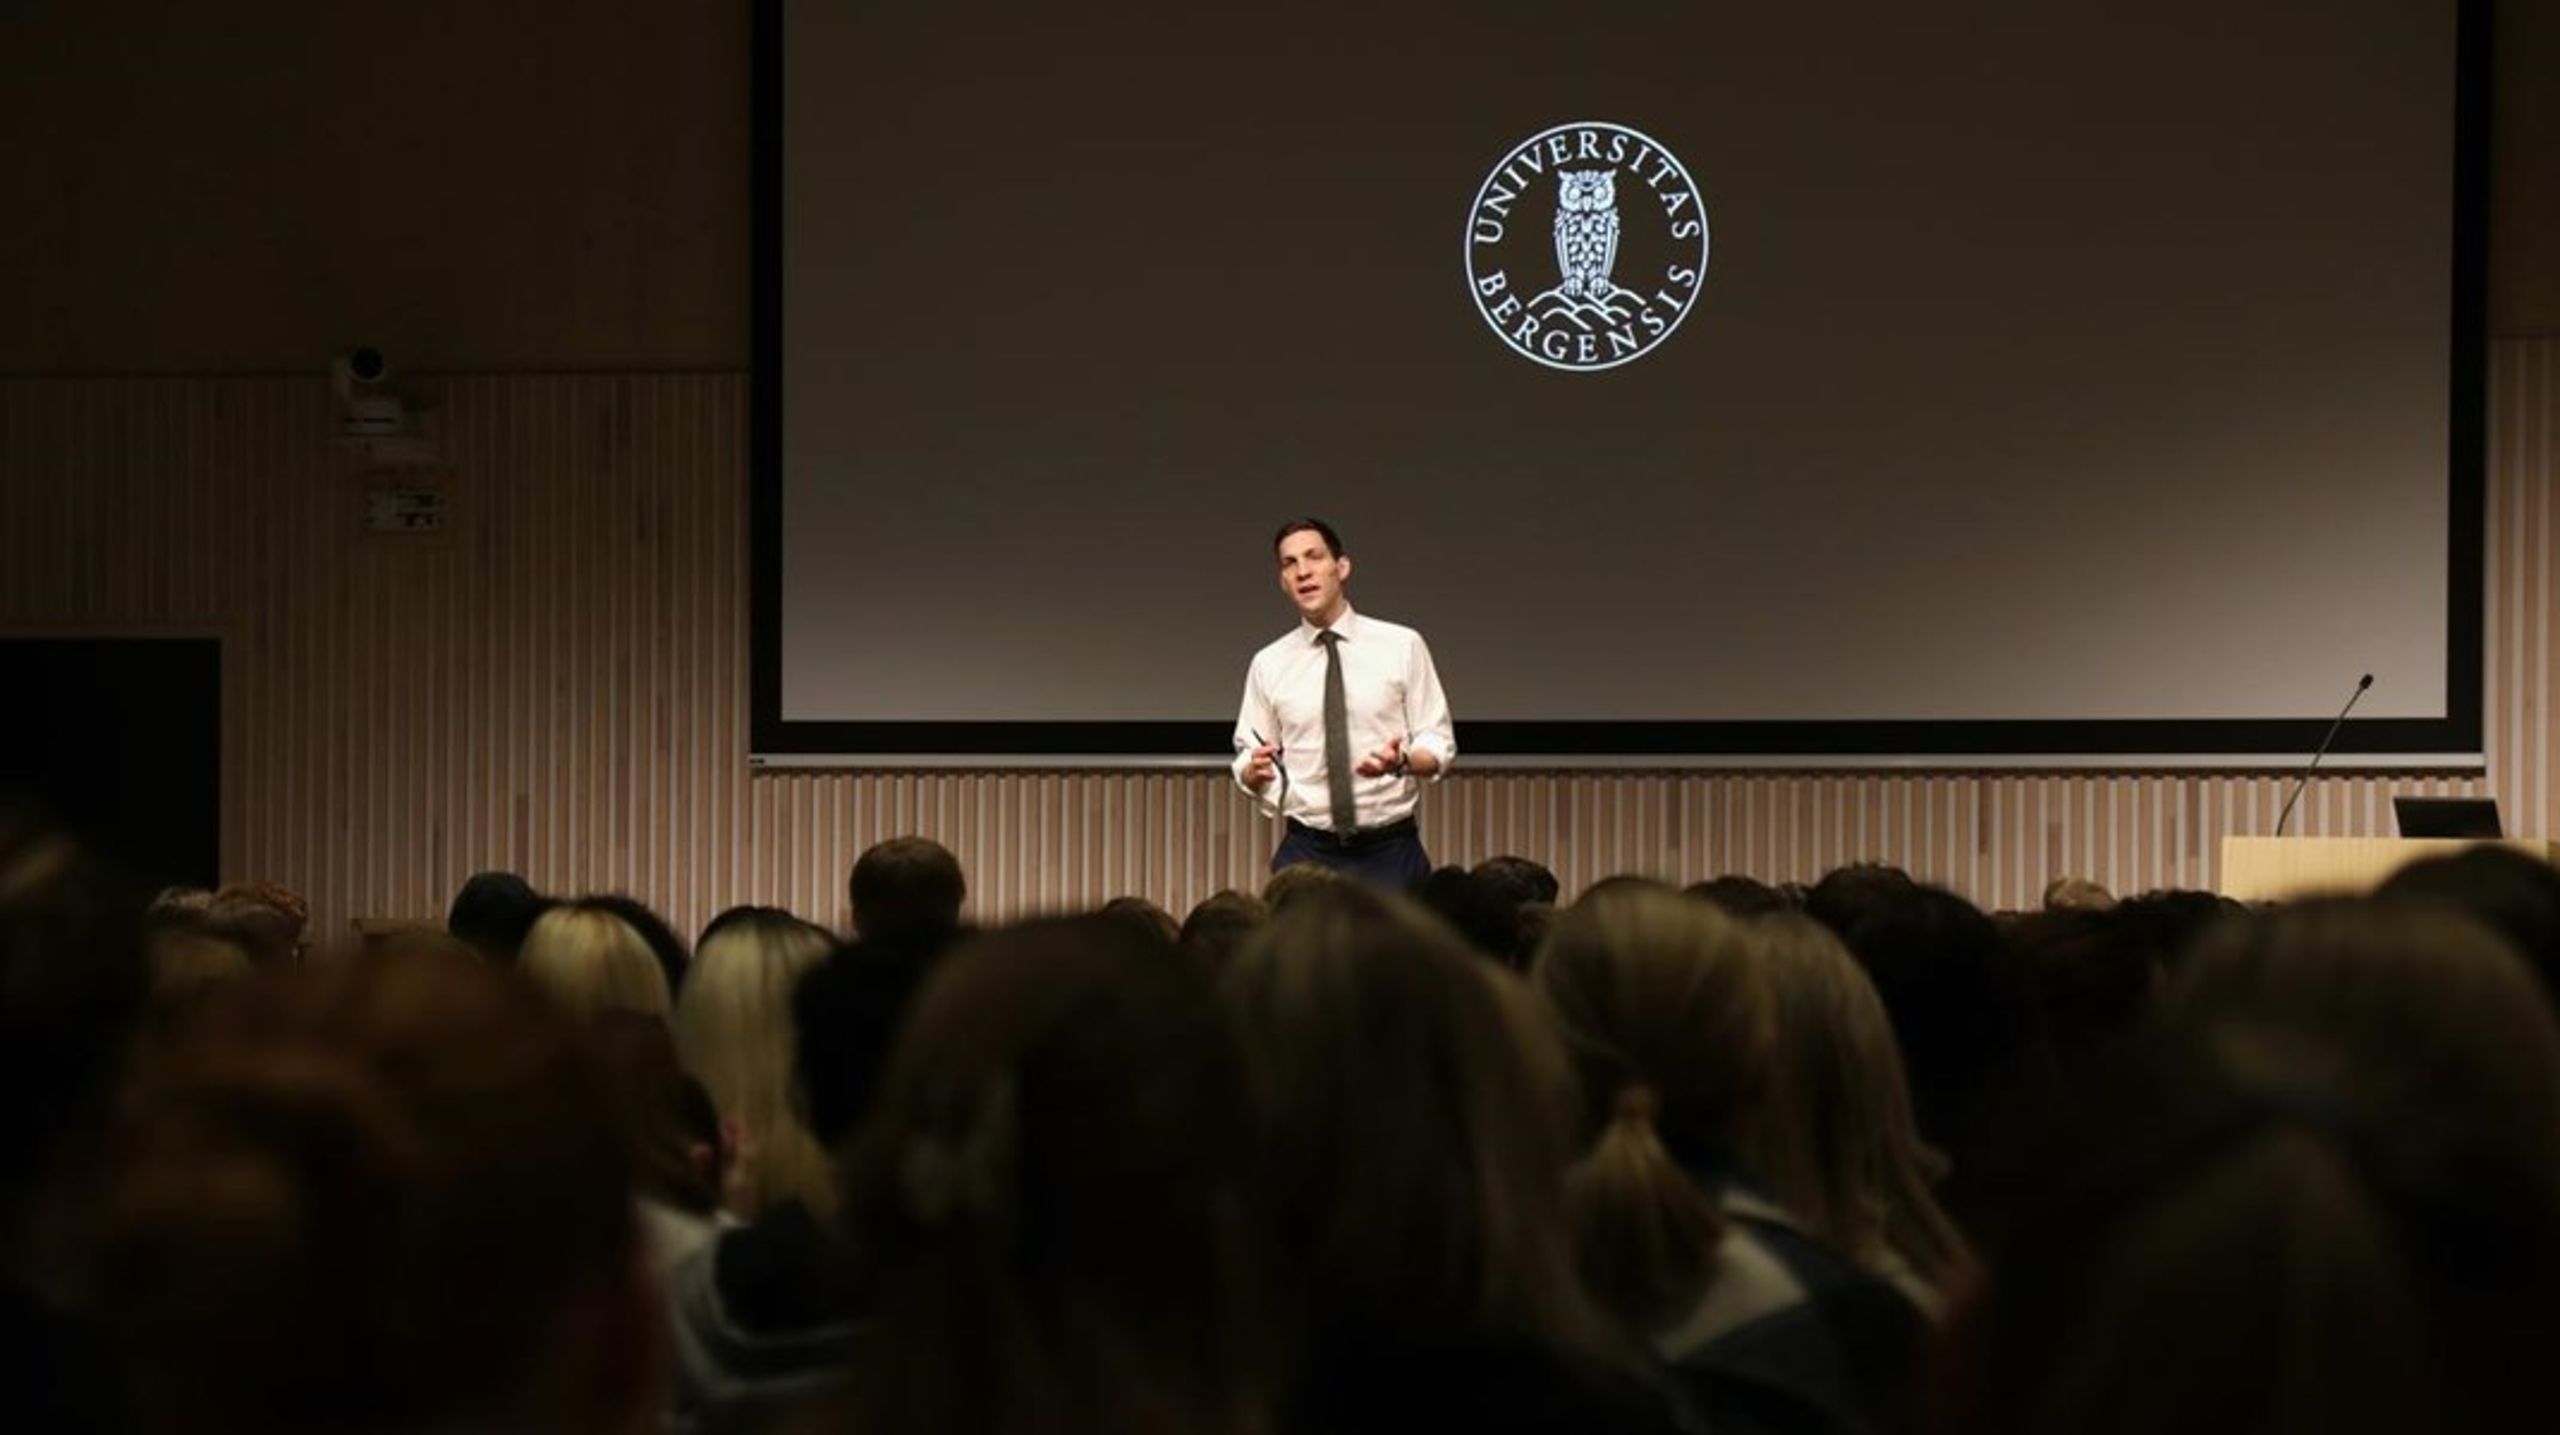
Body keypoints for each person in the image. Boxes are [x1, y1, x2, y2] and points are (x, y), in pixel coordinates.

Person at [1231, 518, 1455, 886]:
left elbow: (1438, 740)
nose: (1303, 571)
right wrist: (1252, 773)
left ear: (1342, 567)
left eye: (1314, 557)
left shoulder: (1402, 645)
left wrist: (1403, 760)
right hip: (1306, 852)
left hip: (1390, 852)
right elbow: (1247, 751)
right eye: (1290, 564)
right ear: (1283, 582)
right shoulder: (1268, 663)